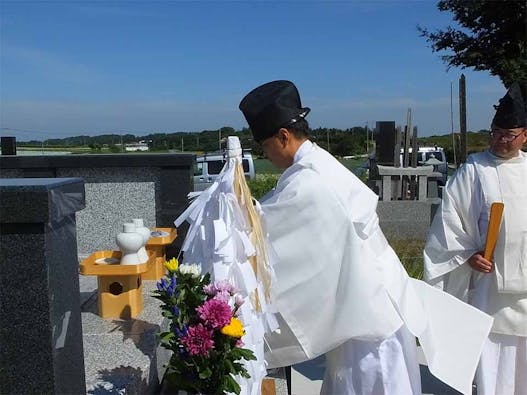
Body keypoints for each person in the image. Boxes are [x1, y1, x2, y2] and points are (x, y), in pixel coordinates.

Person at [239, 80, 492, 395]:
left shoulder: (310, 180)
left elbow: (267, 228)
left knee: (373, 382)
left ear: (283, 136)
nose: (266, 154)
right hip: (368, 300)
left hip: (368, 311)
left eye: (264, 147)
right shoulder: (318, 163)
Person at [424, 81, 527, 395]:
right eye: (495, 132)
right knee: (491, 353)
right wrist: (468, 254)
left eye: (508, 135)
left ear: (525, 135)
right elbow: (450, 222)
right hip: (488, 283)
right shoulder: (474, 169)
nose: (499, 140)